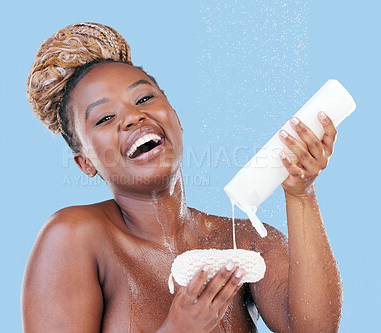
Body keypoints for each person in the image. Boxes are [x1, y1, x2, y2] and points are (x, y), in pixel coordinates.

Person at [21, 22, 342, 333]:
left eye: (145, 99)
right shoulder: (75, 237)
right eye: (105, 118)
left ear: (176, 118)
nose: (133, 116)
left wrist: (301, 193)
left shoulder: (246, 241)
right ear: (85, 162)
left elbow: (314, 330)